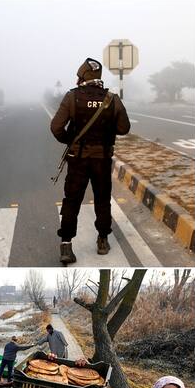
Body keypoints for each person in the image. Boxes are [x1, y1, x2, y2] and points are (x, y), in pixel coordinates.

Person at [50, 58, 130, 264]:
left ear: (82, 77)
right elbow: (124, 128)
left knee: (72, 200)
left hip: (78, 159)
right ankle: (102, 240)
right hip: (102, 159)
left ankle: (66, 245)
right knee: (102, 199)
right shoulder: (111, 99)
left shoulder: (72, 97)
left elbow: (56, 127)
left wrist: (71, 141)